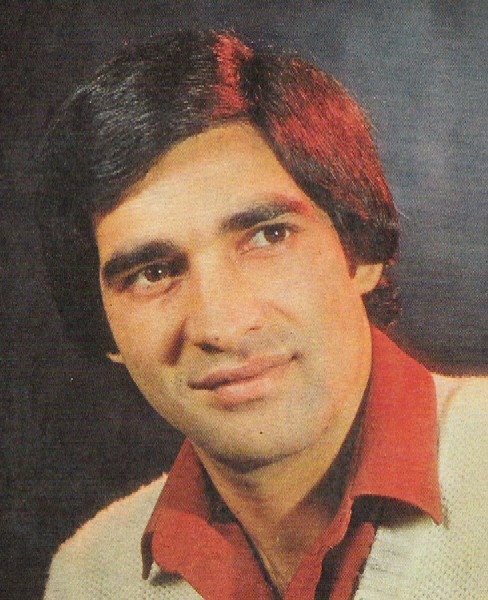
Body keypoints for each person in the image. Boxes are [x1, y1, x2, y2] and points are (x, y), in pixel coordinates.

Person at [38, 30, 487, 599]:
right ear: (105, 329)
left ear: (361, 250)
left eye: (269, 236)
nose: (222, 326)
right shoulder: (90, 577)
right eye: (153, 273)